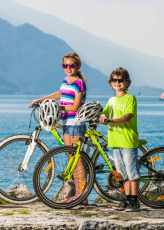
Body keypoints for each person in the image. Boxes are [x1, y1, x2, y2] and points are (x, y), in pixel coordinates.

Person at [30, 52, 88, 204]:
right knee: (71, 159)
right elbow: (60, 93)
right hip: (66, 123)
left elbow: (75, 106)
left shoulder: (79, 83)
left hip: (76, 122)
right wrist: (42, 100)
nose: (68, 68)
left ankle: (82, 197)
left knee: (77, 160)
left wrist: (57, 108)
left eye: (71, 65)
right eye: (65, 65)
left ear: (78, 66)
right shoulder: (65, 81)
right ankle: (78, 195)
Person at [99, 67, 140, 212]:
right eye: (114, 80)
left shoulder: (130, 98)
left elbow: (127, 116)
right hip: (115, 141)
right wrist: (98, 117)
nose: (117, 83)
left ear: (127, 82)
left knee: (132, 172)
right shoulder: (111, 101)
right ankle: (126, 199)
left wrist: (110, 121)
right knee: (122, 173)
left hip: (127, 140)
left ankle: (134, 200)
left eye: (120, 80)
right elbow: (103, 115)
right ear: (111, 82)